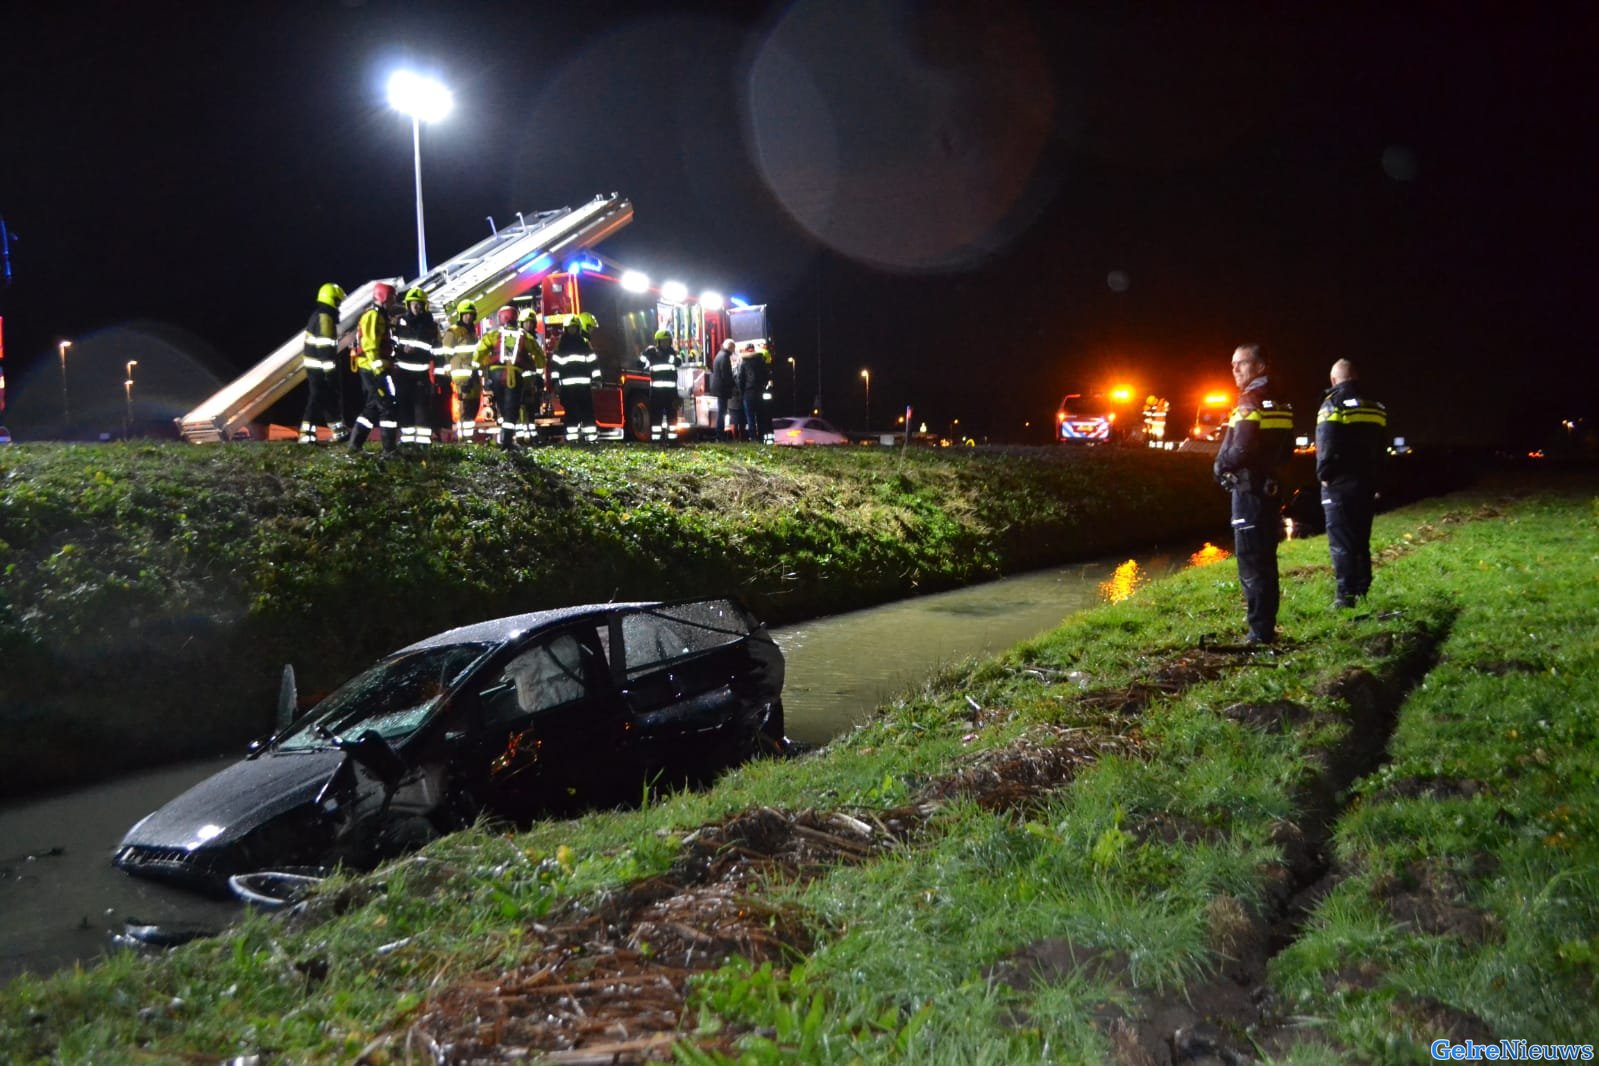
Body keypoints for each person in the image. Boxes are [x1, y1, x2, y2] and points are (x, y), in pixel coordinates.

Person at [1213, 343, 1295, 644]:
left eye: (1242, 363)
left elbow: (1242, 447)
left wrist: (1220, 465)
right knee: (1265, 560)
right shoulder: (1282, 400)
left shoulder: (1251, 399)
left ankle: (1259, 633)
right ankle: (1265, 626)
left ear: (1259, 366)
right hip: (1269, 488)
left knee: (1251, 562)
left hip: (1249, 490)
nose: (1235, 369)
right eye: (1232, 364)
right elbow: (1286, 449)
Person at [1316, 358, 1388, 607]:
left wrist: (1324, 475)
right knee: (1360, 539)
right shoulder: (1375, 405)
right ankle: (1362, 590)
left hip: (1340, 483)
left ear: (1334, 380)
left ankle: (1345, 597)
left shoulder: (1333, 403)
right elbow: (1381, 447)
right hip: (1366, 482)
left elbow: (1326, 443)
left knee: (1341, 541)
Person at [475, 305, 541, 450]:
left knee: (503, 407)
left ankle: (506, 440)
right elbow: (538, 354)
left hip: (496, 375)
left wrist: (478, 368)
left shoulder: (493, 335)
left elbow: (480, 351)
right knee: (512, 409)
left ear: (501, 318)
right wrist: (538, 370)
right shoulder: (524, 336)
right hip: (514, 375)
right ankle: (507, 442)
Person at [349, 282, 399, 455]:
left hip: (375, 368)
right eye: (392, 298)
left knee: (372, 408)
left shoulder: (381, 316)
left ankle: (355, 446)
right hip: (372, 369)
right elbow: (370, 345)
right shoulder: (373, 315)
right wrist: (379, 369)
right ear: (383, 297)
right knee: (387, 405)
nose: (394, 302)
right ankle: (389, 450)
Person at [391, 286, 442, 449]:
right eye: (414, 303)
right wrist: (400, 350)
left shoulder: (431, 325)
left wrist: (439, 376)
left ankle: (423, 441)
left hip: (421, 373)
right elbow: (391, 343)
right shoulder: (399, 322)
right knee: (404, 406)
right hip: (402, 373)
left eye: (419, 304)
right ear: (408, 305)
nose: (416, 307)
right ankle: (407, 440)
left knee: (422, 407)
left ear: (425, 305)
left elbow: (437, 350)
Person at [299, 282, 349, 444]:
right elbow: (325, 347)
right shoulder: (325, 318)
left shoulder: (320, 315)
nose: (339, 306)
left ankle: (339, 432)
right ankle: (306, 434)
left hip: (317, 365)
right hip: (320, 367)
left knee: (328, 398)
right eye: (338, 301)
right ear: (332, 300)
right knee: (317, 398)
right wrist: (330, 371)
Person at [550, 314, 600, 443]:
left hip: (584, 386)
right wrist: (555, 382)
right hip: (568, 388)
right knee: (572, 414)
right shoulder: (561, 346)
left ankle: (591, 438)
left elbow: (593, 362)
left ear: (578, 328)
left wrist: (597, 378)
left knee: (588, 412)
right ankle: (572, 439)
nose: (572, 330)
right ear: (566, 329)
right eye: (570, 328)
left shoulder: (584, 343)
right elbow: (555, 366)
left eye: (574, 327)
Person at [638, 329, 682, 442]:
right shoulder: (652, 354)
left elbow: (678, 362)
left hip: (671, 393)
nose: (665, 343)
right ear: (658, 342)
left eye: (667, 341)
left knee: (672, 417)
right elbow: (640, 364)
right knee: (656, 417)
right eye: (663, 341)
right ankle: (656, 439)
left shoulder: (673, 353)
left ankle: (672, 439)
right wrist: (645, 354)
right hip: (657, 393)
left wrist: (665, 356)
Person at [515, 307, 545, 444]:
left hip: (532, 379)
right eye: (526, 322)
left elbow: (540, 358)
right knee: (520, 406)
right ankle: (521, 435)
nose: (529, 325)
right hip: (520, 378)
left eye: (531, 322)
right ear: (521, 323)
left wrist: (539, 377)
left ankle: (532, 434)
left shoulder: (538, 338)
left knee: (531, 408)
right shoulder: (518, 337)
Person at [737, 343, 767, 443]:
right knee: (760, 416)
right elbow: (766, 375)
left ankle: (753, 438)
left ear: (746, 350)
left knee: (750, 417)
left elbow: (741, 379)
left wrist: (742, 392)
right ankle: (761, 437)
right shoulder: (760, 360)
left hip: (748, 392)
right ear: (754, 350)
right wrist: (763, 386)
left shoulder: (744, 361)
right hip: (759, 391)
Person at [710, 339, 736, 440]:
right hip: (722, 389)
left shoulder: (719, 355)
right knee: (722, 412)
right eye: (733, 348)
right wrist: (733, 384)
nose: (734, 350)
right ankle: (720, 434)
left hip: (718, 388)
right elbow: (726, 374)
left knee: (721, 411)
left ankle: (719, 433)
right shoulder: (725, 357)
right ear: (730, 347)